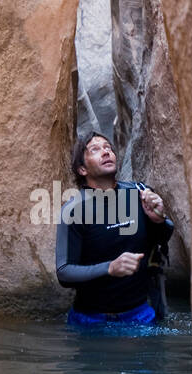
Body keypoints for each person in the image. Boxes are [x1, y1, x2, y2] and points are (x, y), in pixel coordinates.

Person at [55, 131, 174, 326]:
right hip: (90, 321)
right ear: (82, 169)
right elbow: (64, 272)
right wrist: (109, 268)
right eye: (95, 149)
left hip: (140, 316)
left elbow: (161, 241)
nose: (105, 152)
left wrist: (159, 219)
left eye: (108, 148)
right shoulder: (74, 210)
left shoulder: (139, 193)